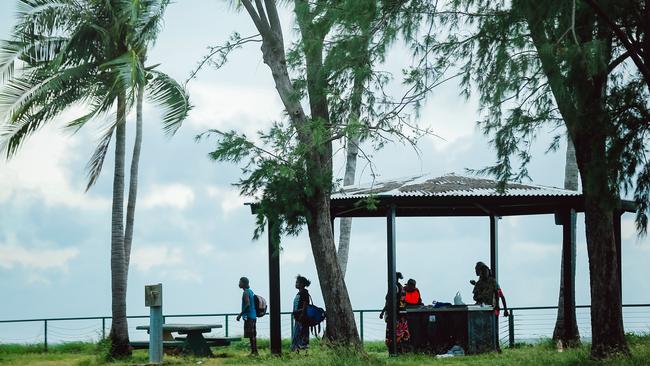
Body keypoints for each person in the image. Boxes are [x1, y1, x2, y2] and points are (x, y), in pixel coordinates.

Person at [470, 261, 509, 352]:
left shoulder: (493, 282)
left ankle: (496, 348)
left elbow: (501, 295)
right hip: (481, 310)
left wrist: (505, 309)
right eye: (481, 271)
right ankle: (485, 348)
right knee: (482, 330)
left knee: (494, 330)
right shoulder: (479, 283)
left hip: (493, 310)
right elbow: (475, 296)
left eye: (485, 271)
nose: (483, 273)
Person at [380, 272, 410, 353]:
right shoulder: (401, 287)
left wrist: (383, 312)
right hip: (402, 315)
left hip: (395, 315)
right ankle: (401, 352)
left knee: (392, 335)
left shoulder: (394, 287)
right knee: (402, 335)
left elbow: (389, 302)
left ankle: (394, 352)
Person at [236, 277, 258, 356]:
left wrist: (240, 315)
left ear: (244, 283)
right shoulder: (251, 291)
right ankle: (255, 352)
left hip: (249, 316)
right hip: (253, 315)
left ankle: (254, 352)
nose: (239, 284)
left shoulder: (245, 292)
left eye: (240, 282)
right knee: (253, 335)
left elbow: (248, 304)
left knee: (251, 335)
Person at [291, 275, 311, 352]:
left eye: (297, 282)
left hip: (302, 318)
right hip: (298, 318)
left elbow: (305, 306)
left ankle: (299, 350)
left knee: (299, 334)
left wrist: (300, 314)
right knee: (297, 334)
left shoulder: (304, 294)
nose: (296, 284)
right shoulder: (300, 293)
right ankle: (297, 350)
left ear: (302, 284)